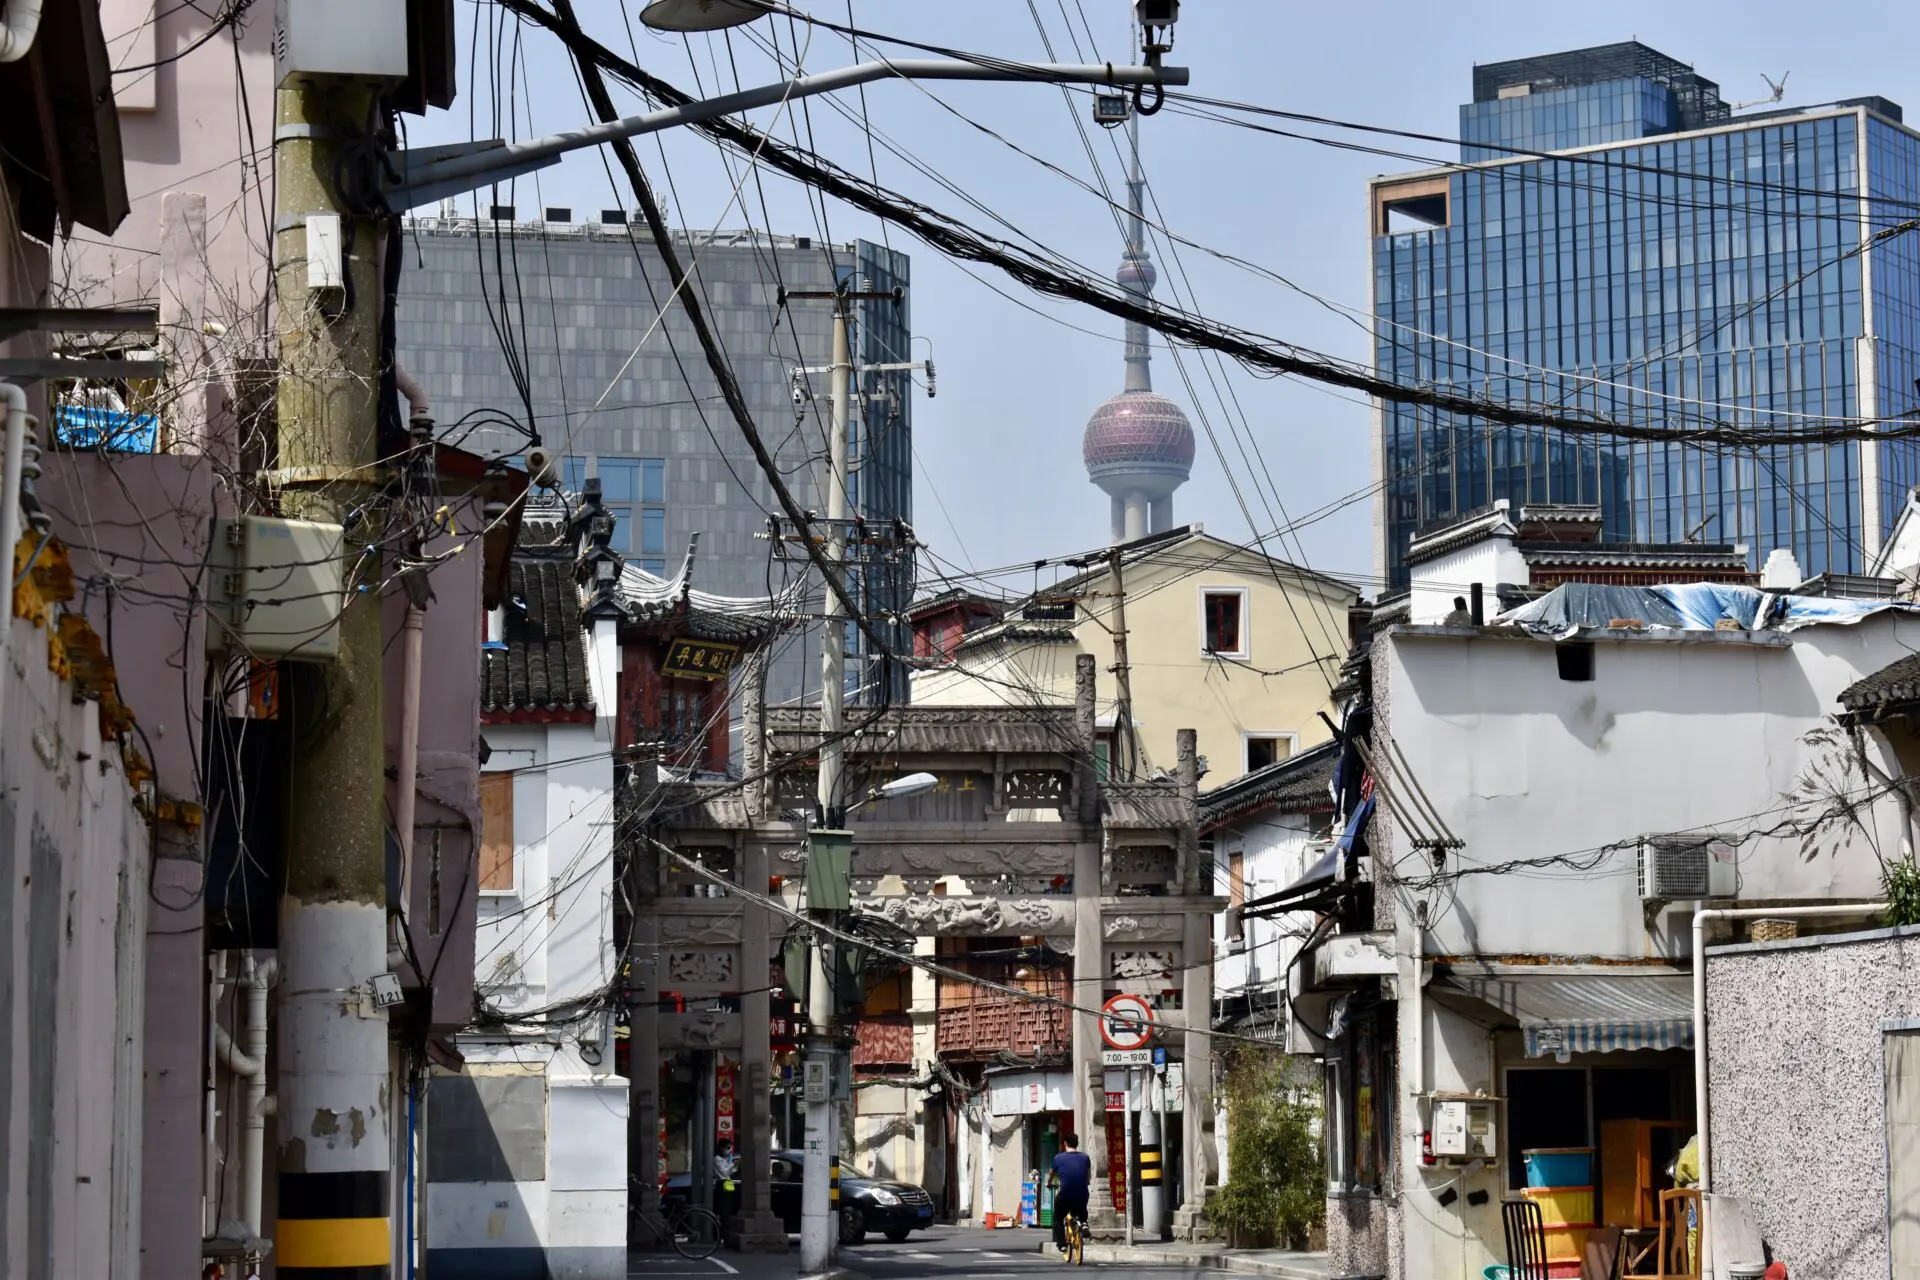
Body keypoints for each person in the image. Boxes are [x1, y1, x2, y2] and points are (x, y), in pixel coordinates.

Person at [1049, 1133, 1092, 1252]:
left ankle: (1062, 1244)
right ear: (1077, 1144)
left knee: (1057, 1218)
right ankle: (1083, 1223)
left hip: (1065, 1195)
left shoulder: (1058, 1158)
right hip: (1082, 1194)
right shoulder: (1085, 1157)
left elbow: (1051, 1174)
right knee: (1081, 1206)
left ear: (1065, 1144)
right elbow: (1088, 1177)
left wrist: (1048, 1183)